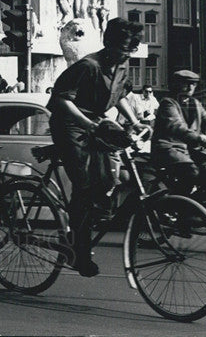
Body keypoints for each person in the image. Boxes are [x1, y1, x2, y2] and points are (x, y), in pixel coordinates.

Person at [48, 17, 149, 277]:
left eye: (131, 49)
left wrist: (135, 122)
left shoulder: (123, 66)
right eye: (122, 48)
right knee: (84, 185)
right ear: (109, 43)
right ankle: (78, 250)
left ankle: (89, 221)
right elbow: (61, 99)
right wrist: (87, 123)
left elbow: (121, 95)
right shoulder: (88, 65)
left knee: (106, 180)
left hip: (96, 121)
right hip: (70, 123)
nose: (126, 54)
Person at [152, 70, 206, 200]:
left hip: (190, 149)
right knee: (191, 171)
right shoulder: (168, 103)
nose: (190, 87)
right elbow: (176, 126)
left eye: (193, 84)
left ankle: (202, 201)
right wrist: (199, 138)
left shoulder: (195, 103)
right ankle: (180, 203)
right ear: (177, 85)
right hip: (169, 148)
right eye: (186, 84)